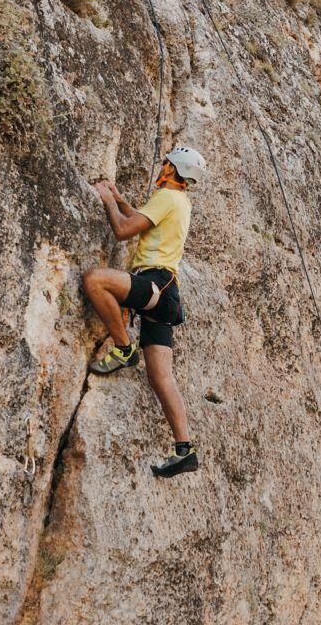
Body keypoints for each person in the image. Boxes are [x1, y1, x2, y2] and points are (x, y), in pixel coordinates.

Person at [81, 147, 206, 478]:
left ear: (173, 168)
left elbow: (124, 230)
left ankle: (123, 349)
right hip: (166, 296)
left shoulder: (167, 195)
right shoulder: (179, 201)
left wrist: (106, 198)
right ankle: (185, 449)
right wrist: (121, 199)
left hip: (155, 283)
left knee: (95, 281)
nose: (162, 167)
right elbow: (143, 221)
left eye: (166, 163)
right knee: (161, 376)